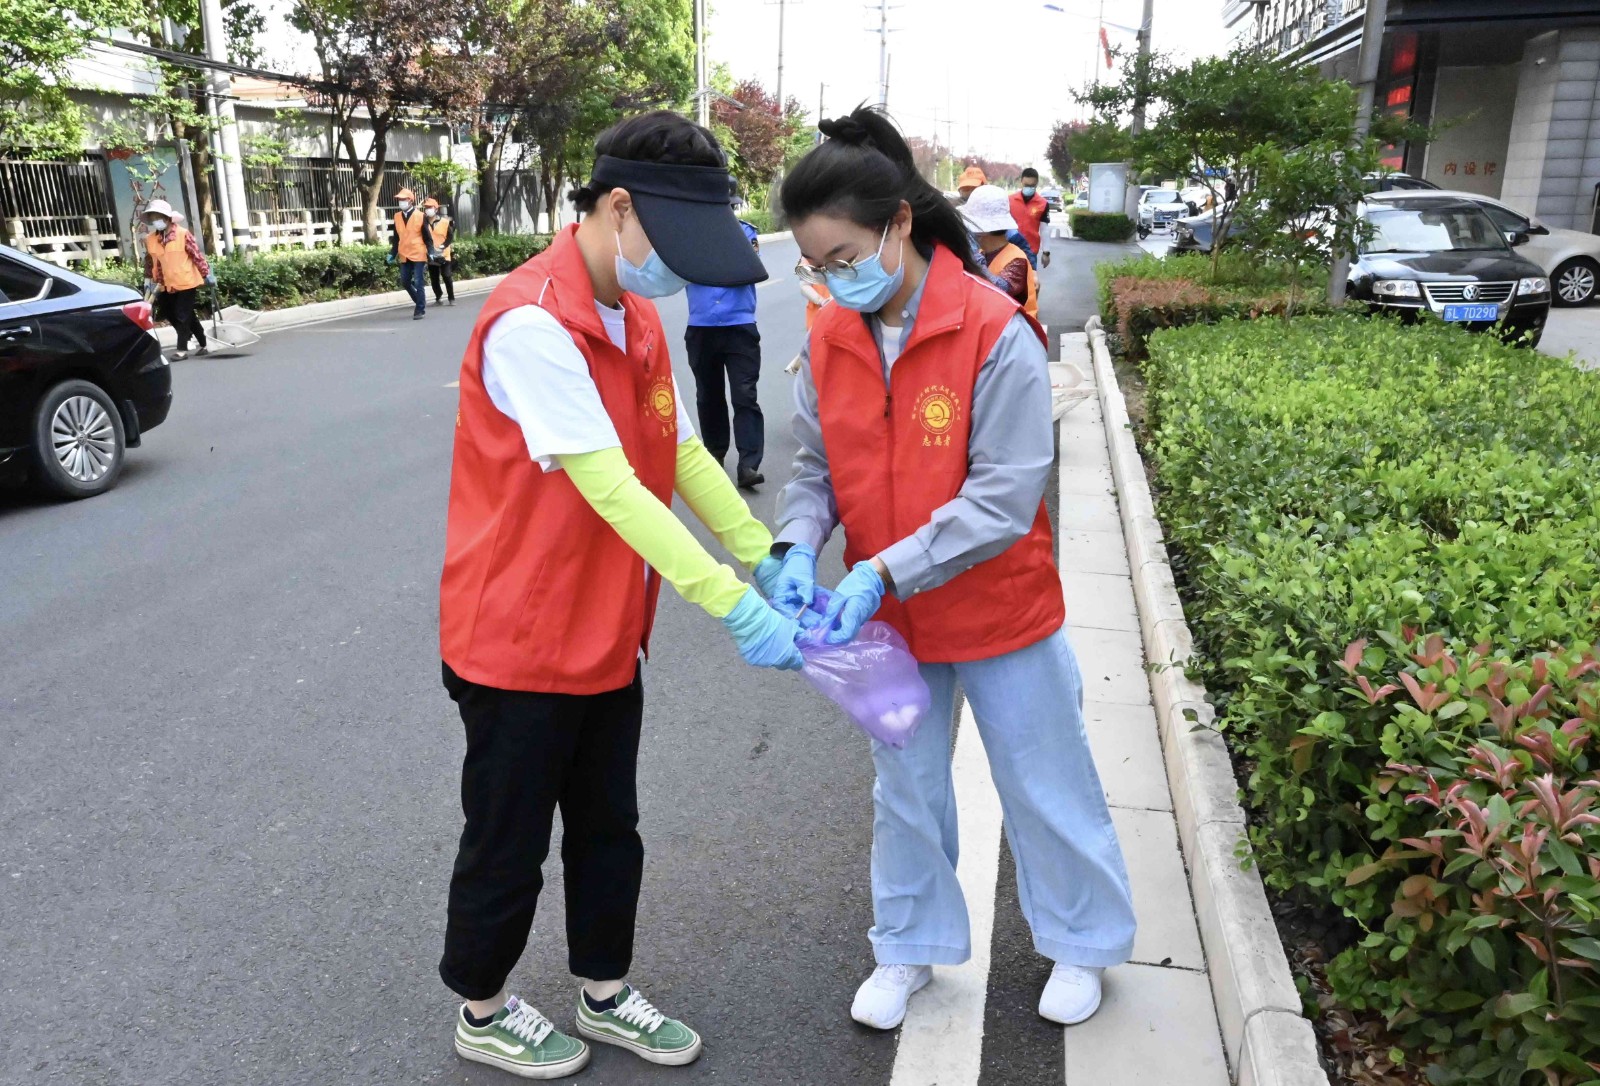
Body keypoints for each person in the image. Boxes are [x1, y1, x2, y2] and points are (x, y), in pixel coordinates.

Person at [438, 110, 803, 1080]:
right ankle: (482, 1006)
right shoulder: (530, 322)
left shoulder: (636, 315)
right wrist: (730, 600)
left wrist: (761, 550)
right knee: (509, 837)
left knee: (610, 826)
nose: (677, 274)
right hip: (514, 637)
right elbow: (610, 488)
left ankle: (603, 991)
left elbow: (678, 450)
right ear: (616, 207)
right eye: (671, 248)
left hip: (606, 630)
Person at [771, 106, 1136, 1033]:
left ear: (900, 225)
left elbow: (1003, 499)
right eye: (814, 266)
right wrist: (793, 542)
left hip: (999, 611)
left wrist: (877, 570)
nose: (828, 281)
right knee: (905, 788)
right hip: (891, 624)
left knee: (1044, 780)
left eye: (843, 259)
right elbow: (815, 470)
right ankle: (908, 947)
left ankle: (1082, 943)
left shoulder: (992, 332)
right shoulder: (829, 339)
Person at [683, 180, 765, 489]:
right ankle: (715, 455)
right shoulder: (688, 238)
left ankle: (748, 465)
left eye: (728, 205)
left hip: (739, 326)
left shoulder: (746, 233)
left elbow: (748, 268)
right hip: (701, 326)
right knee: (708, 395)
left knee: (745, 395)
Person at [140, 198, 213, 361]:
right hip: (164, 283)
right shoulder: (151, 239)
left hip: (185, 281)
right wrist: (147, 281)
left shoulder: (182, 234)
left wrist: (206, 273)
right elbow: (150, 260)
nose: (155, 220)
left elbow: (196, 256)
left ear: (167, 217)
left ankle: (182, 349)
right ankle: (204, 343)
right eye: (153, 217)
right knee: (171, 313)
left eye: (158, 216)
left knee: (182, 314)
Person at [964, 184, 1038, 318]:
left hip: (1014, 334)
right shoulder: (982, 253)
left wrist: (976, 264)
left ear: (984, 230)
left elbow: (1000, 290)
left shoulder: (1016, 259)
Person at [388, 187, 429, 320]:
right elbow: (396, 238)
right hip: (404, 253)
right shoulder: (397, 216)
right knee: (405, 281)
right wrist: (392, 253)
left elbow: (427, 236)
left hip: (418, 252)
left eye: (403, 199)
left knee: (418, 281)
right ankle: (419, 300)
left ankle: (420, 310)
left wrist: (432, 251)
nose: (401, 202)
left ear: (411, 201)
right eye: (399, 200)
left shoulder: (421, 216)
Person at [1010, 168, 1052, 270]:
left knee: (1031, 283)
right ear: (1021, 182)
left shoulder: (1042, 204)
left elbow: (1044, 229)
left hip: (1030, 251)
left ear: (1037, 184)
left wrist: (1046, 252)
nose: (1028, 188)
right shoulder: (1010, 200)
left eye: (1032, 186)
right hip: (1010, 249)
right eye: (1026, 185)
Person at [425, 197, 457, 306]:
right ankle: (438, 297)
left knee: (446, 275)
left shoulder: (444, 222)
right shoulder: (423, 223)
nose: (428, 209)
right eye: (426, 207)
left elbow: (450, 236)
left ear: (436, 209)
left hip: (444, 254)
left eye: (430, 207)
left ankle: (451, 298)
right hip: (431, 254)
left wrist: (444, 245)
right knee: (434, 278)